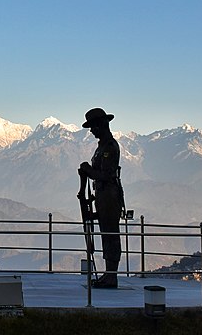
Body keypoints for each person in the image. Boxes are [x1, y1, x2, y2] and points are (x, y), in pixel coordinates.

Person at [78, 107, 124, 289]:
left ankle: (111, 275)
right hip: (103, 195)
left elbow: (105, 174)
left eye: (93, 126)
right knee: (106, 232)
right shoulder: (102, 147)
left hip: (109, 194)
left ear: (101, 125)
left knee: (111, 234)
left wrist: (88, 170)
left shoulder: (110, 147)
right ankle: (108, 274)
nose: (91, 131)